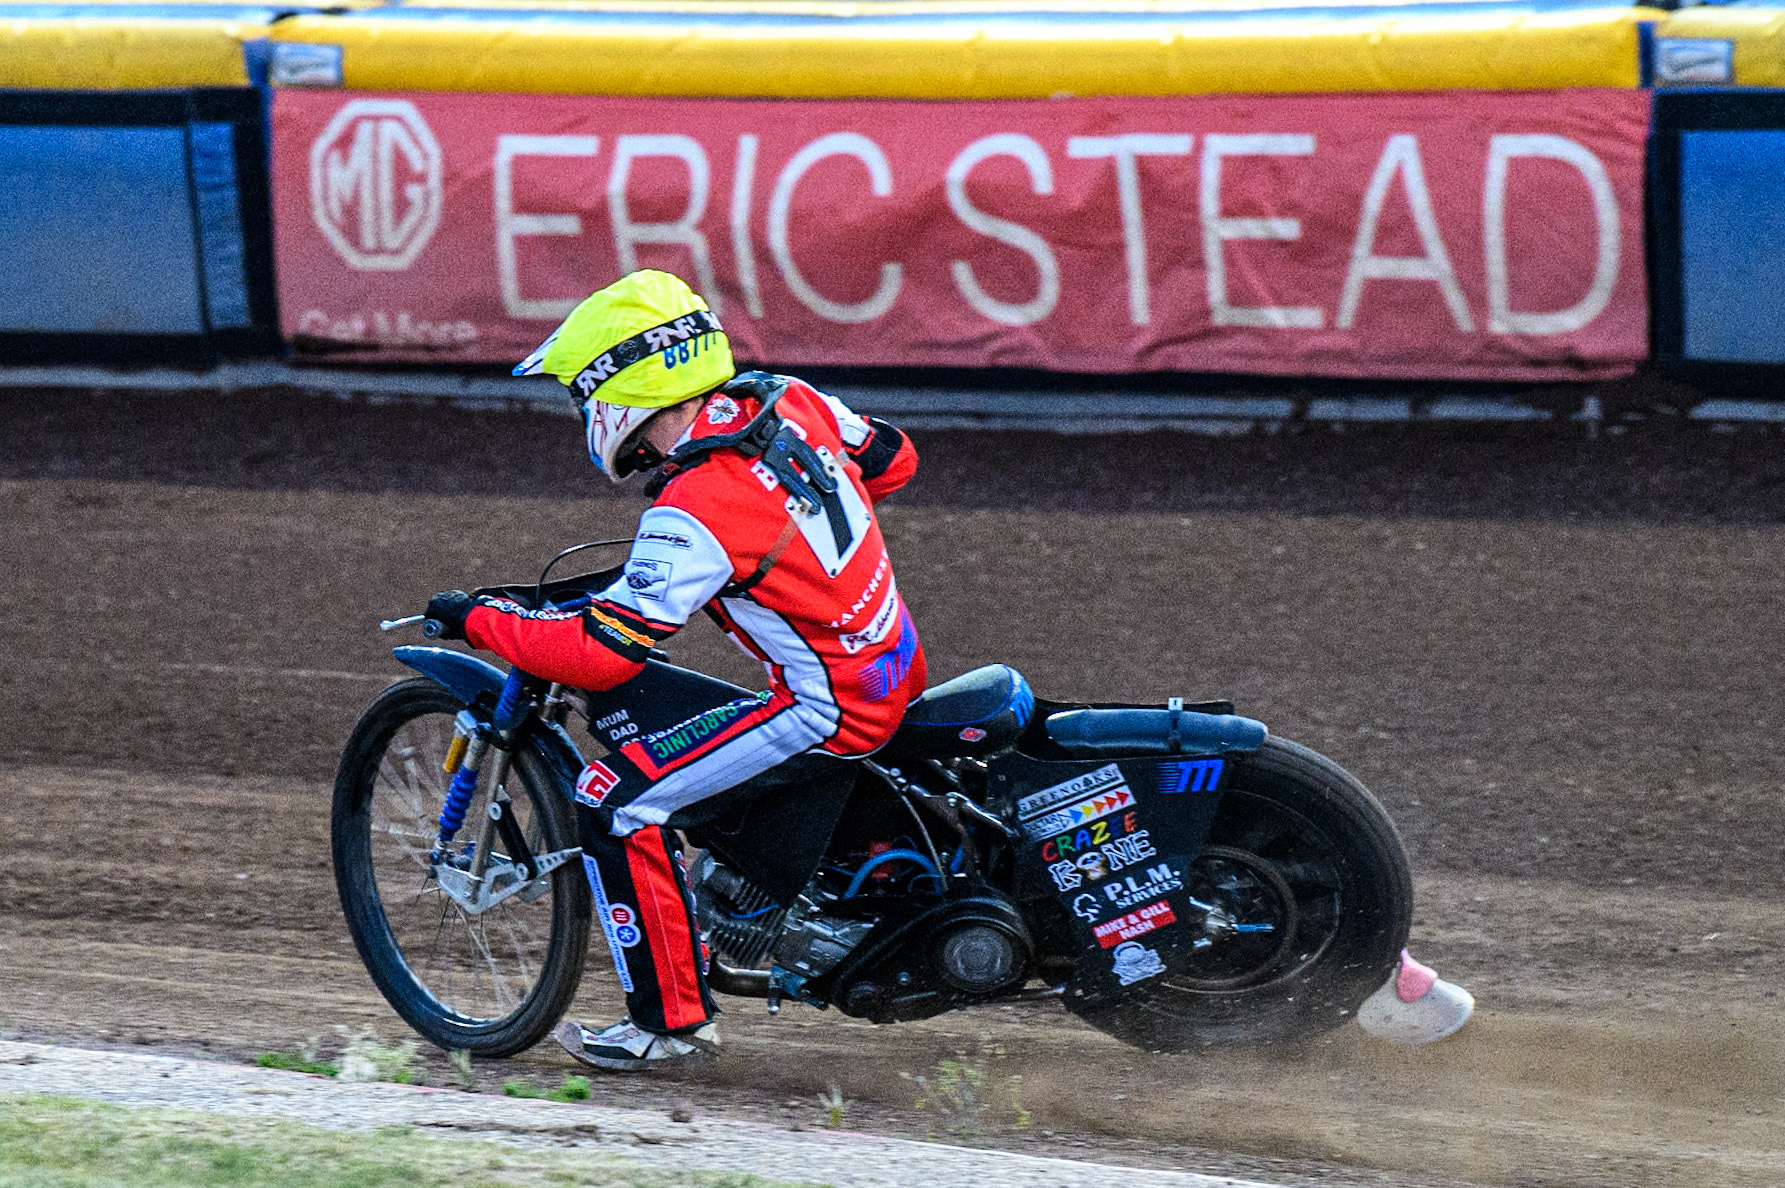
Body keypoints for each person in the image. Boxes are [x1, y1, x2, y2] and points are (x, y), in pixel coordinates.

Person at [424, 269, 927, 1071]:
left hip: (827, 707)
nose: (581, 416)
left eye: (579, 398)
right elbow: (893, 461)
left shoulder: (694, 509)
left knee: (613, 798)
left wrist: (479, 618)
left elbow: (596, 653)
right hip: (893, 657)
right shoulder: (786, 400)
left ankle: (669, 1023)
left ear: (617, 395)